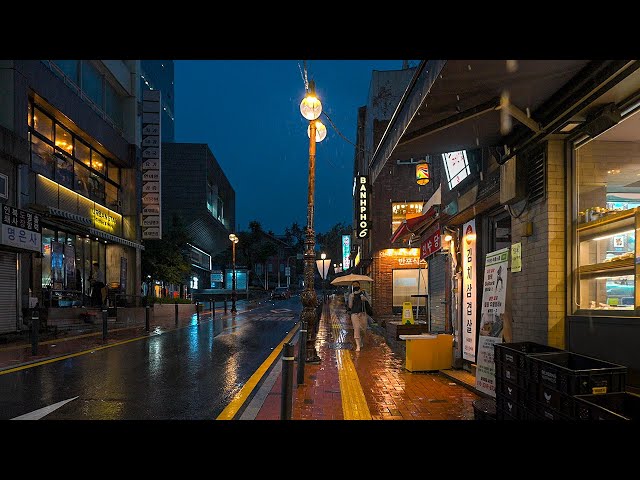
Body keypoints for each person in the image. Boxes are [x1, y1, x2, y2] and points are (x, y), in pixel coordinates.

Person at [347, 281, 370, 352]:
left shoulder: (363, 293)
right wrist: (351, 298)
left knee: (363, 329)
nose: (355, 286)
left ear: (359, 285)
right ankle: (358, 345)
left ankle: (361, 341)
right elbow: (350, 307)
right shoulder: (351, 295)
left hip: (362, 313)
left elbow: (369, 301)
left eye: (357, 284)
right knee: (356, 329)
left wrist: (364, 298)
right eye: (354, 285)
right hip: (354, 314)